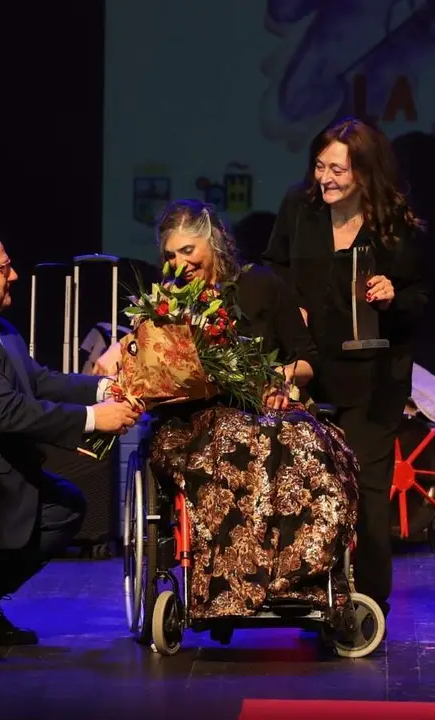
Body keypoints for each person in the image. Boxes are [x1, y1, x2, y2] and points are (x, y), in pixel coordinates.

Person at [96, 199, 358, 626]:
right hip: (194, 426)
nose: (179, 263)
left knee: (310, 445)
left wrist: (280, 376)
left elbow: (308, 362)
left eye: (187, 251)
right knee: (240, 442)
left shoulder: (263, 286)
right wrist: (122, 350)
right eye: (169, 255)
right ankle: (232, 588)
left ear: (214, 243)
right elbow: (144, 359)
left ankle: (303, 579)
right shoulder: (168, 307)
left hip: (270, 413)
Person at [0, 227, 140, 645]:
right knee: (61, 506)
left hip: (8, 466)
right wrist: (94, 418)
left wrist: (103, 389)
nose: (14, 275)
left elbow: (37, 381)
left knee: (67, 504)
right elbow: (4, 410)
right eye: (3, 267)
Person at [263, 116, 428, 618]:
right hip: (310, 367)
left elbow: (420, 297)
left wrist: (392, 295)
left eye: (337, 169)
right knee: (301, 481)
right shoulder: (300, 207)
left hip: (374, 376)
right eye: (319, 166)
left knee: (368, 487)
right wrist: (292, 312)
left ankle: (369, 600)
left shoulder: (392, 223)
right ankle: (304, 586)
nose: (325, 178)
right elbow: (275, 271)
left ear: (364, 172)